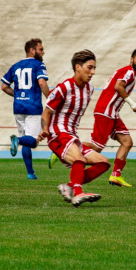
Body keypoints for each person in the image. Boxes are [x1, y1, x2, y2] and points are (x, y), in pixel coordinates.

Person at [39, 50, 110, 207]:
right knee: (80, 159)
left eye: (94, 68)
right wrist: (44, 129)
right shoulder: (64, 88)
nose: (93, 72)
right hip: (58, 134)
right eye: (89, 67)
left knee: (103, 163)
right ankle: (77, 194)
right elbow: (47, 112)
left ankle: (70, 187)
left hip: (71, 135)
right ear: (78, 67)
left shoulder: (89, 89)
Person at [89, 48, 136, 187]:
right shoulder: (129, 71)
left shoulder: (128, 72)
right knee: (97, 147)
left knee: (127, 142)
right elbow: (119, 86)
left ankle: (116, 175)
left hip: (112, 112)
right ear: (131, 59)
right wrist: (133, 104)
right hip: (106, 111)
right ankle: (65, 147)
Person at [1, 38, 49, 180]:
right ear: (32, 50)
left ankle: (30, 173)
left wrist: (17, 95)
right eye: (41, 49)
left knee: (26, 138)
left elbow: (4, 86)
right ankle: (17, 140)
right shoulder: (38, 65)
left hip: (18, 107)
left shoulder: (15, 66)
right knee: (33, 140)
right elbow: (41, 82)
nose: (43, 52)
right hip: (33, 107)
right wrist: (50, 98)